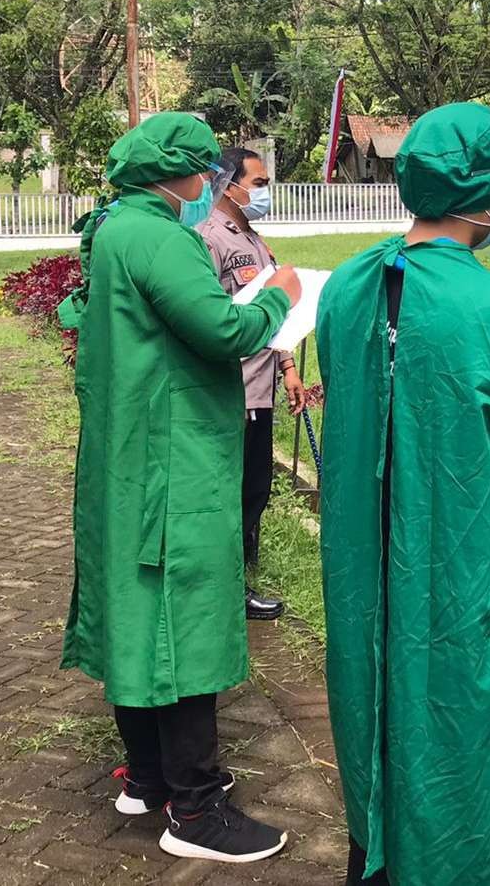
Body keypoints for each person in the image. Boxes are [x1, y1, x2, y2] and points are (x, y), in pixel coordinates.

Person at [315, 102, 490, 886]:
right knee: (475, 714)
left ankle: (379, 856)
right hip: (467, 559)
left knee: (375, 696)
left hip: (362, 557)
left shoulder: (348, 287)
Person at [58, 112, 301, 863]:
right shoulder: (162, 237)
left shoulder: (114, 229)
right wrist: (281, 296)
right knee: (184, 618)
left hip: (126, 454)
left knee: (134, 608)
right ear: (183, 173)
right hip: (172, 458)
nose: (211, 184)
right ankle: (193, 813)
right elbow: (222, 332)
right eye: (206, 172)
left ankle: (152, 777)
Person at [199, 146, 304, 622]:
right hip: (231, 392)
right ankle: (226, 590)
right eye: (258, 183)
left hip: (261, 390)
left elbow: (272, 310)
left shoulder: (255, 240)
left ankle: (240, 578)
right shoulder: (209, 239)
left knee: (255, 489)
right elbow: (211, 320)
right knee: (230, 494)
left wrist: (288, 368)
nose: (264, 192)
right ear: (228, 183)